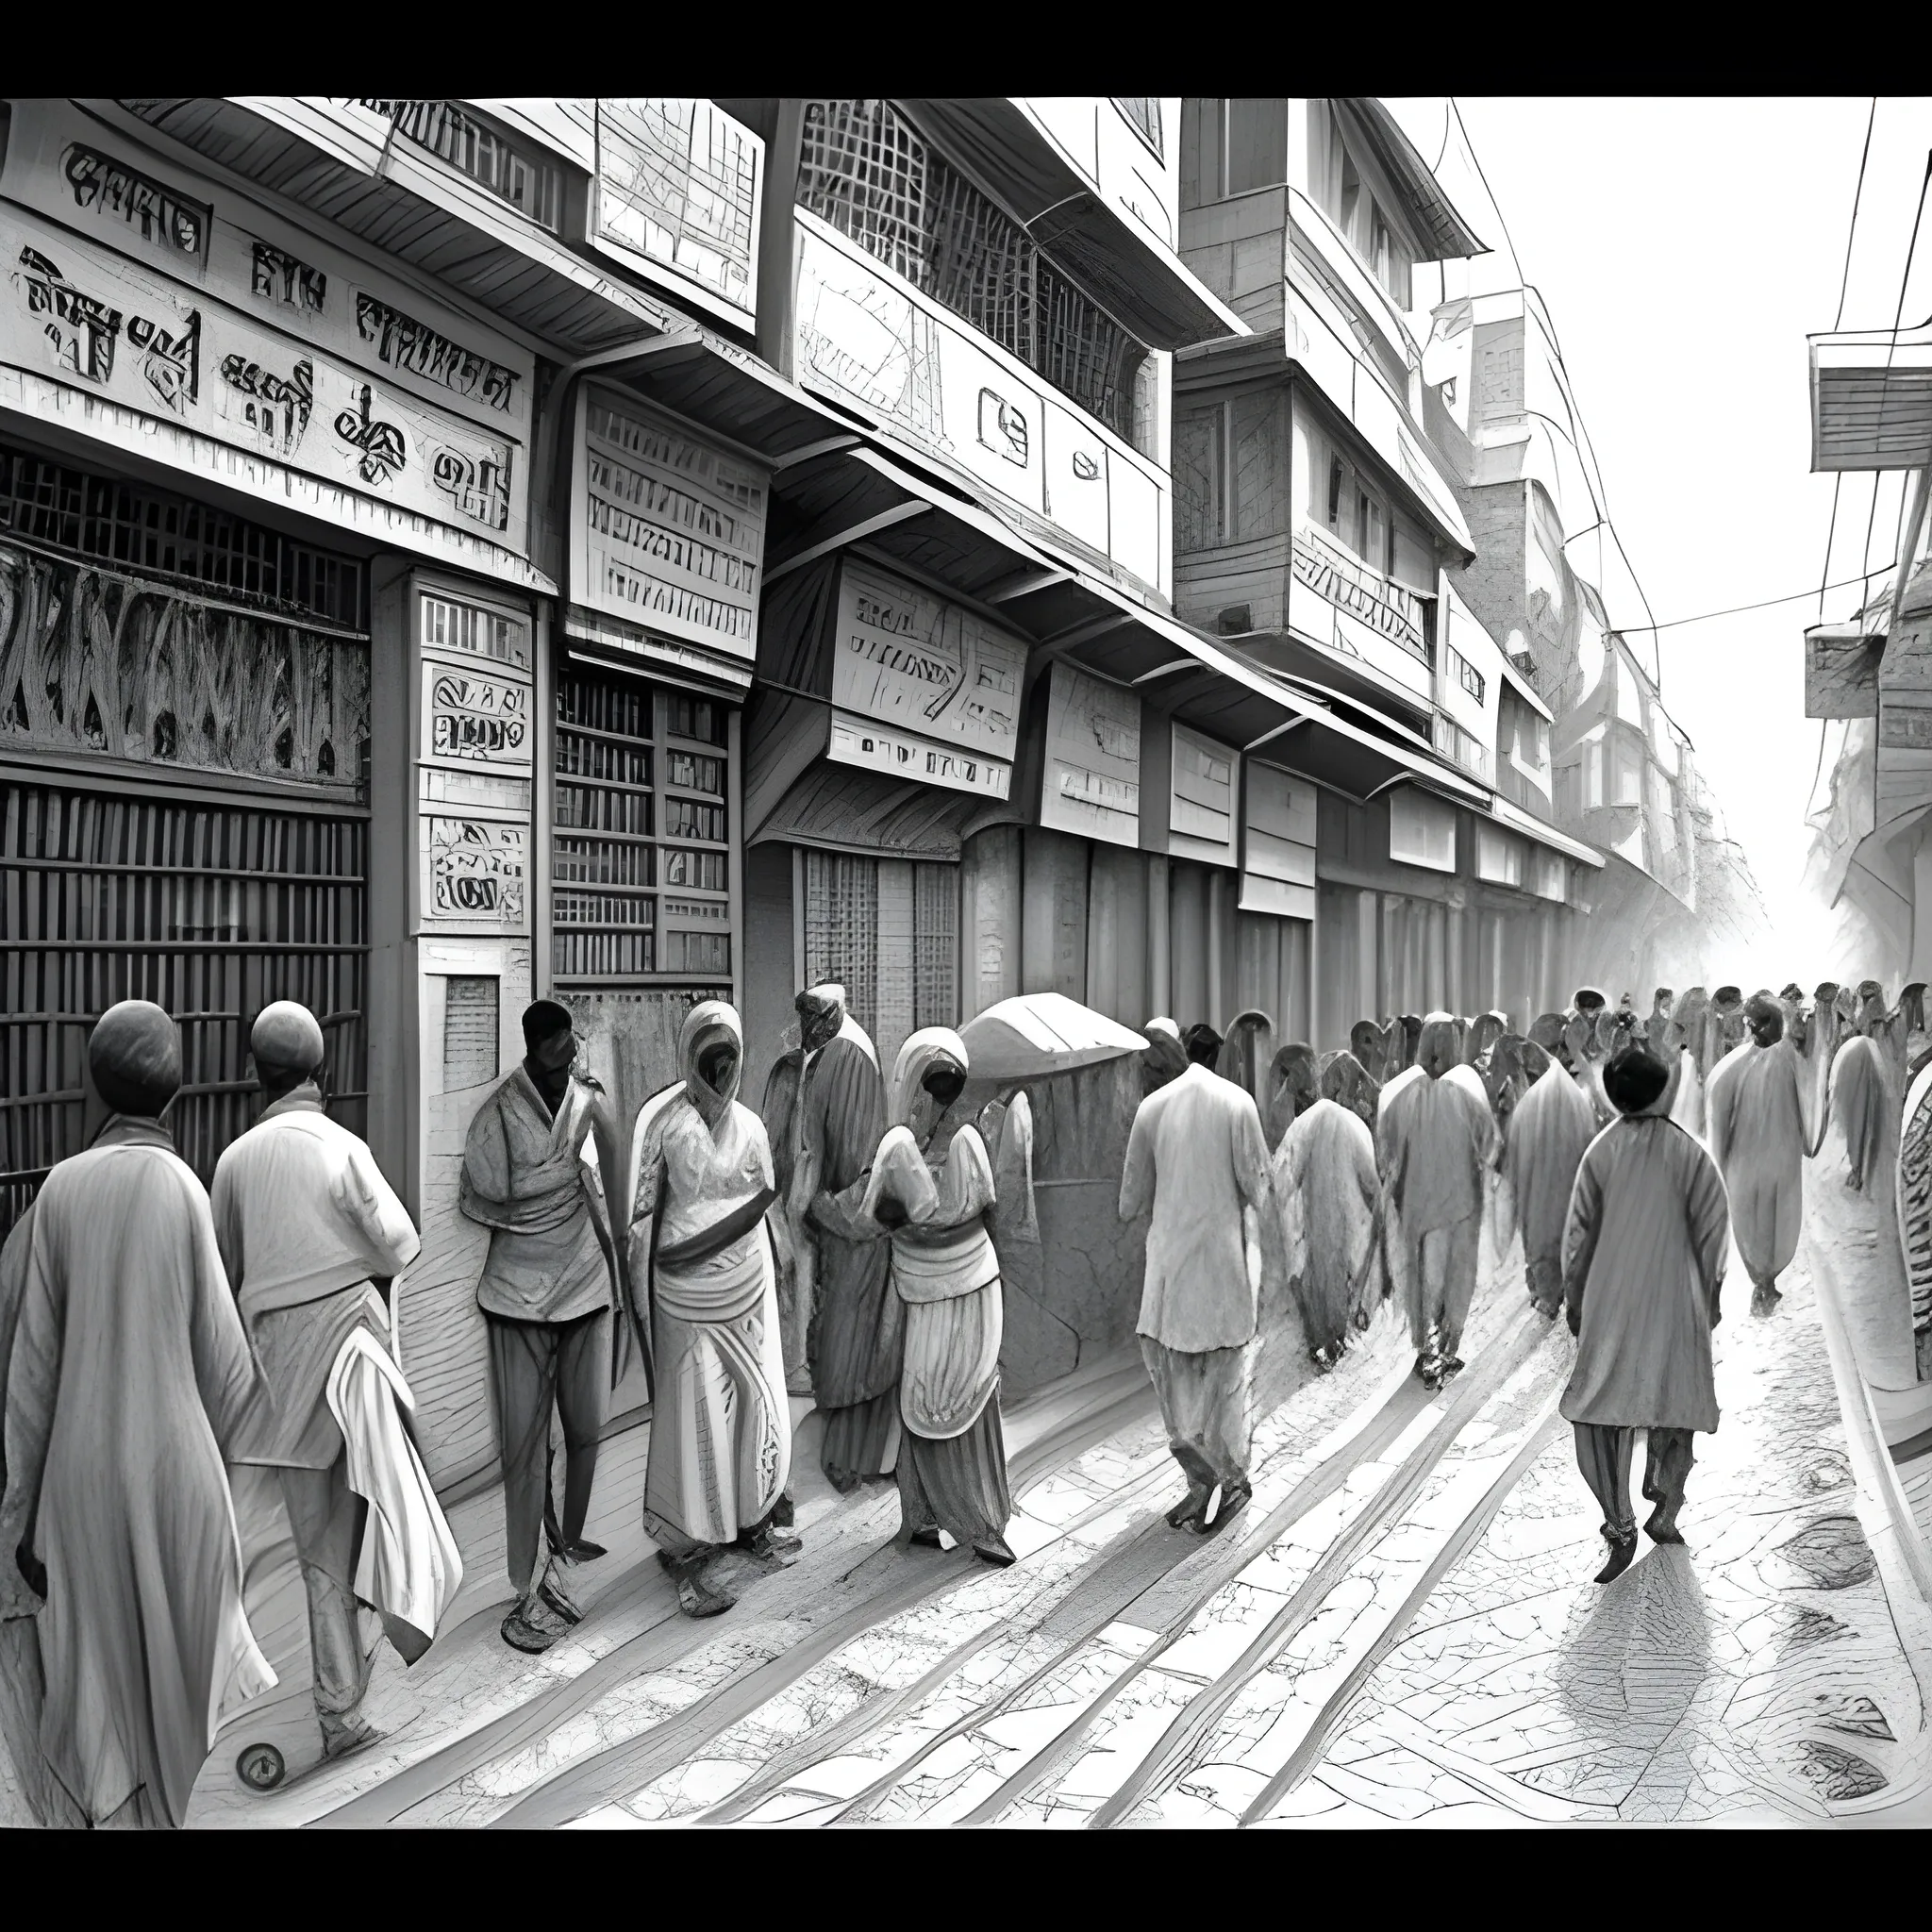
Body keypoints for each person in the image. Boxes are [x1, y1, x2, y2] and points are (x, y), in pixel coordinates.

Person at [0, 1001, 276, 1827]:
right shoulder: (180, 1186)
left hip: (75, 1489)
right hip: (175, 1477)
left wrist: (20, 1517)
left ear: (95, 1088)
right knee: (172, 1693)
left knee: (97, 1693)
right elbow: (228, 1373)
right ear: (176, 1092)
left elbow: (32, 1378)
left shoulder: (61, 1192)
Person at [213, 1003, 459, 1761]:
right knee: (386, 1516)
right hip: (354, 1366)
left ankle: (339, 1713)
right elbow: (399, 1246)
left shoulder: (233, 1163)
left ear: (259, 1075)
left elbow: (227, 1273)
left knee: (321, 1553)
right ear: (321, 1071)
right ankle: (359, 1681)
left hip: (279, 1383)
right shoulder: (340, 1147)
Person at [459, 1000, 631, 1655]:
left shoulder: (591, 1103)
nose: (570, 1050)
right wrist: (557, 1180)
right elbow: (486, 1189)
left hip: (585, 1284)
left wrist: (620, 1255)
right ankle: (523, 1580)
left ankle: (569, 1553)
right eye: (559, 1041)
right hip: (515, 1297)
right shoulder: (501, 1110)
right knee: (526, 1448)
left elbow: (613, 1190)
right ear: (538, 1045)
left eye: (572, 1042)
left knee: (586, 1428)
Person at [630, 1003, 796, 1619]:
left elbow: (766, 1198)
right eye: (711, 1063)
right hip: (685, 1293)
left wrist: (781, 1269)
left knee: (756, 1404)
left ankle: (752, 1518)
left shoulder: (751, 1127)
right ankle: (693, 1545)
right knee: (697, 1412)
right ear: (691, 1064)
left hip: (747, 1289)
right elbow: (642, 1212)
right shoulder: (666, 1126)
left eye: (731, 1063)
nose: (723, 1075)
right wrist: (643, 1283)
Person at [841, 1028, 1014, 1565]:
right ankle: (925, 1515)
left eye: (944, 1080)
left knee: (963, 1393)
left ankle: (976, 1520)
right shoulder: (900, 1147)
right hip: (930, 1284)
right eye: (931, 1079)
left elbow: (984, 1209)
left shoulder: (964, 1140)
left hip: (963, 1284)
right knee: (926, 1398)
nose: (937, 1091)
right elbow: (873, 1219)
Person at [1560, 1045, 1730, 1583]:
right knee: (1674, 1404)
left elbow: (1577, 1238)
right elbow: (1713, 1230)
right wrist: (1713, 1295)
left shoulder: (1600, 1152)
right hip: (1677, 1301)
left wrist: (1574, 1300)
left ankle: (1619, 1523)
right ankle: (1666, 1507)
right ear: (1663, 1090)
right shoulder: (1690, 1152)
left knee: (1598, 1411)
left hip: (1611, 1302)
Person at [1121, 1022, 1271, 1533]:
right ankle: (1229, 1479)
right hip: (1222, 1270)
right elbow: (1259, 1188)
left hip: (1169, 1276)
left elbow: (1127, 1203)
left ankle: (1202, 1483)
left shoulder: (1149, 1110)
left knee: (1177, 1389)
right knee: (1225, 1381)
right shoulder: (1238, 1102)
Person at [791, 985, 900, 1493]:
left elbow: (853, 1153)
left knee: (848, 1342)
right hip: (836, 1221)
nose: (807, 1026)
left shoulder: (848, 1055)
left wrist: (823, 1207)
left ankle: (852, 1458)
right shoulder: (831, 1051)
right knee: (844, 1341)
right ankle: (854, 1454)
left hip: (850, 1223)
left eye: (814, 1016)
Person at [1374, 1013, 1499, 1389]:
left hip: (1417, 1208)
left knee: (1423, 1280)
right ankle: (1441, 1351)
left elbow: (1386, 1156)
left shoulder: (1398, 1092)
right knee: (1452, 1281)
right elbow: (1490, 1148)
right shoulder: (1465, 1091)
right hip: (1458, 1206)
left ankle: (1427, 1352)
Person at [1706, 991, 1811, 1317]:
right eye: (1756, 1023)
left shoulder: (1791, 1060)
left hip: (1778, 1164)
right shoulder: (1735, 1067)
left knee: (1778, 1221)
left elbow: (1807, 1111)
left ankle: (1767, 1279)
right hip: (1748, 1166)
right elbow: (1719, 1120)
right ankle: (1762, 1281)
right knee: (1753, 1223)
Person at [1274, 1055, 1378, 1369]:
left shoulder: (1302, 1124)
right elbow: (1373, 1190)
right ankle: (1334, 1339)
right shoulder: (1355, 1124)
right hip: (1348, 1226)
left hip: (1311, 1228)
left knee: (1313, 1274)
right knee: (1341, 1271)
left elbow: (1281, 1184)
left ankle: (1320, 1341)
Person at [1499, 1025, 1599, 1318]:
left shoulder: (1537, 1098)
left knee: (1542, 1232)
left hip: (1543, 1184)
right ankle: (1557, 1291)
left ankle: (1548, 1293)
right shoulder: (1573, 1094)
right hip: (1562, 1182)